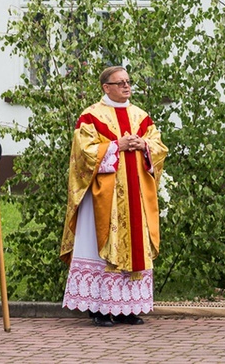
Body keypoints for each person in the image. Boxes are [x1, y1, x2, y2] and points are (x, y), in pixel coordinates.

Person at [60, 66, 168, 327]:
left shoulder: (141, 116)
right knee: (98, 250)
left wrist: (144, 146)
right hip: (102, 200)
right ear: (105, 87)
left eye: (128, 82)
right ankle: (98, 308)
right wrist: (115, 146)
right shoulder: (91, 117)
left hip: (135, 197)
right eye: (120, 83)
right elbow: (83, 153)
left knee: (135, 248)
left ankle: (127, 309)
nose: (126, 87)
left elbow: (159, 147)